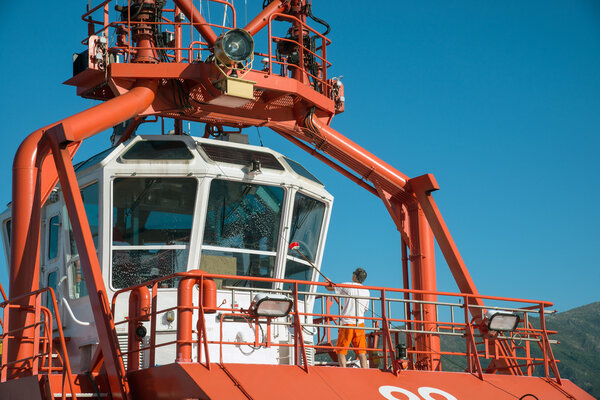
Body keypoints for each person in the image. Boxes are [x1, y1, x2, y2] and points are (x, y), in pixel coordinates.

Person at [326, 268, 370, 368]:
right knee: (362, 352)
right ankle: (365, 371)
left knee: (341, 351)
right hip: (360, 324)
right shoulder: (367, 291)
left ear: (355, 276)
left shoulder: (347, 286)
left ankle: (344, 371)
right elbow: (365, 310)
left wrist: (327, 282)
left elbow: (329, 288)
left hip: (347, 323)